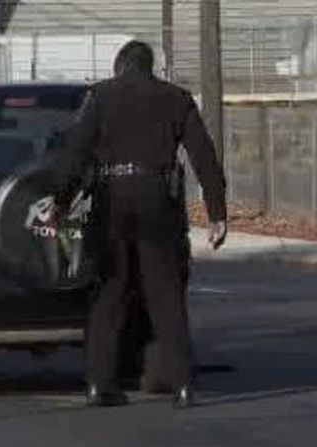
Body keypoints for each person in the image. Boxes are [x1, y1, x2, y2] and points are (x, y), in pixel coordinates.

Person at [59, 40, 228, 408]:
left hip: (111, 200)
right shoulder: (176, 98)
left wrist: (60, 201)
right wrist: (217, 212)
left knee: (109, 293)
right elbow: (204, 155)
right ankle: (183, 384)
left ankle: (100, 385)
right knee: (165, 294)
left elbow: (75, 152)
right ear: (151, 67)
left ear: (119, 66)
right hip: (157, 199)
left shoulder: (99, 97)